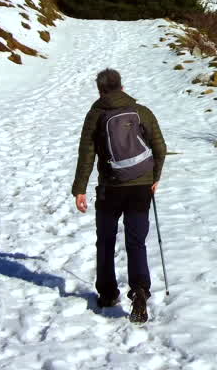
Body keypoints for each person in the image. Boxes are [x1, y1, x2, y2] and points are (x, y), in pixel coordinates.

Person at [71, 68, 166, 323]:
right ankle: (139, 291)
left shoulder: (95, 115)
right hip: (140, 188)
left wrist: (79, 189)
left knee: (105, 240)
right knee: (136, 241)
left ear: (100, 90)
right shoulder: (141, 111)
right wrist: (155, 177)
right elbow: (159, 147)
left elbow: (86, 155)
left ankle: (107, 293)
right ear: (122, 87)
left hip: (110, 188)